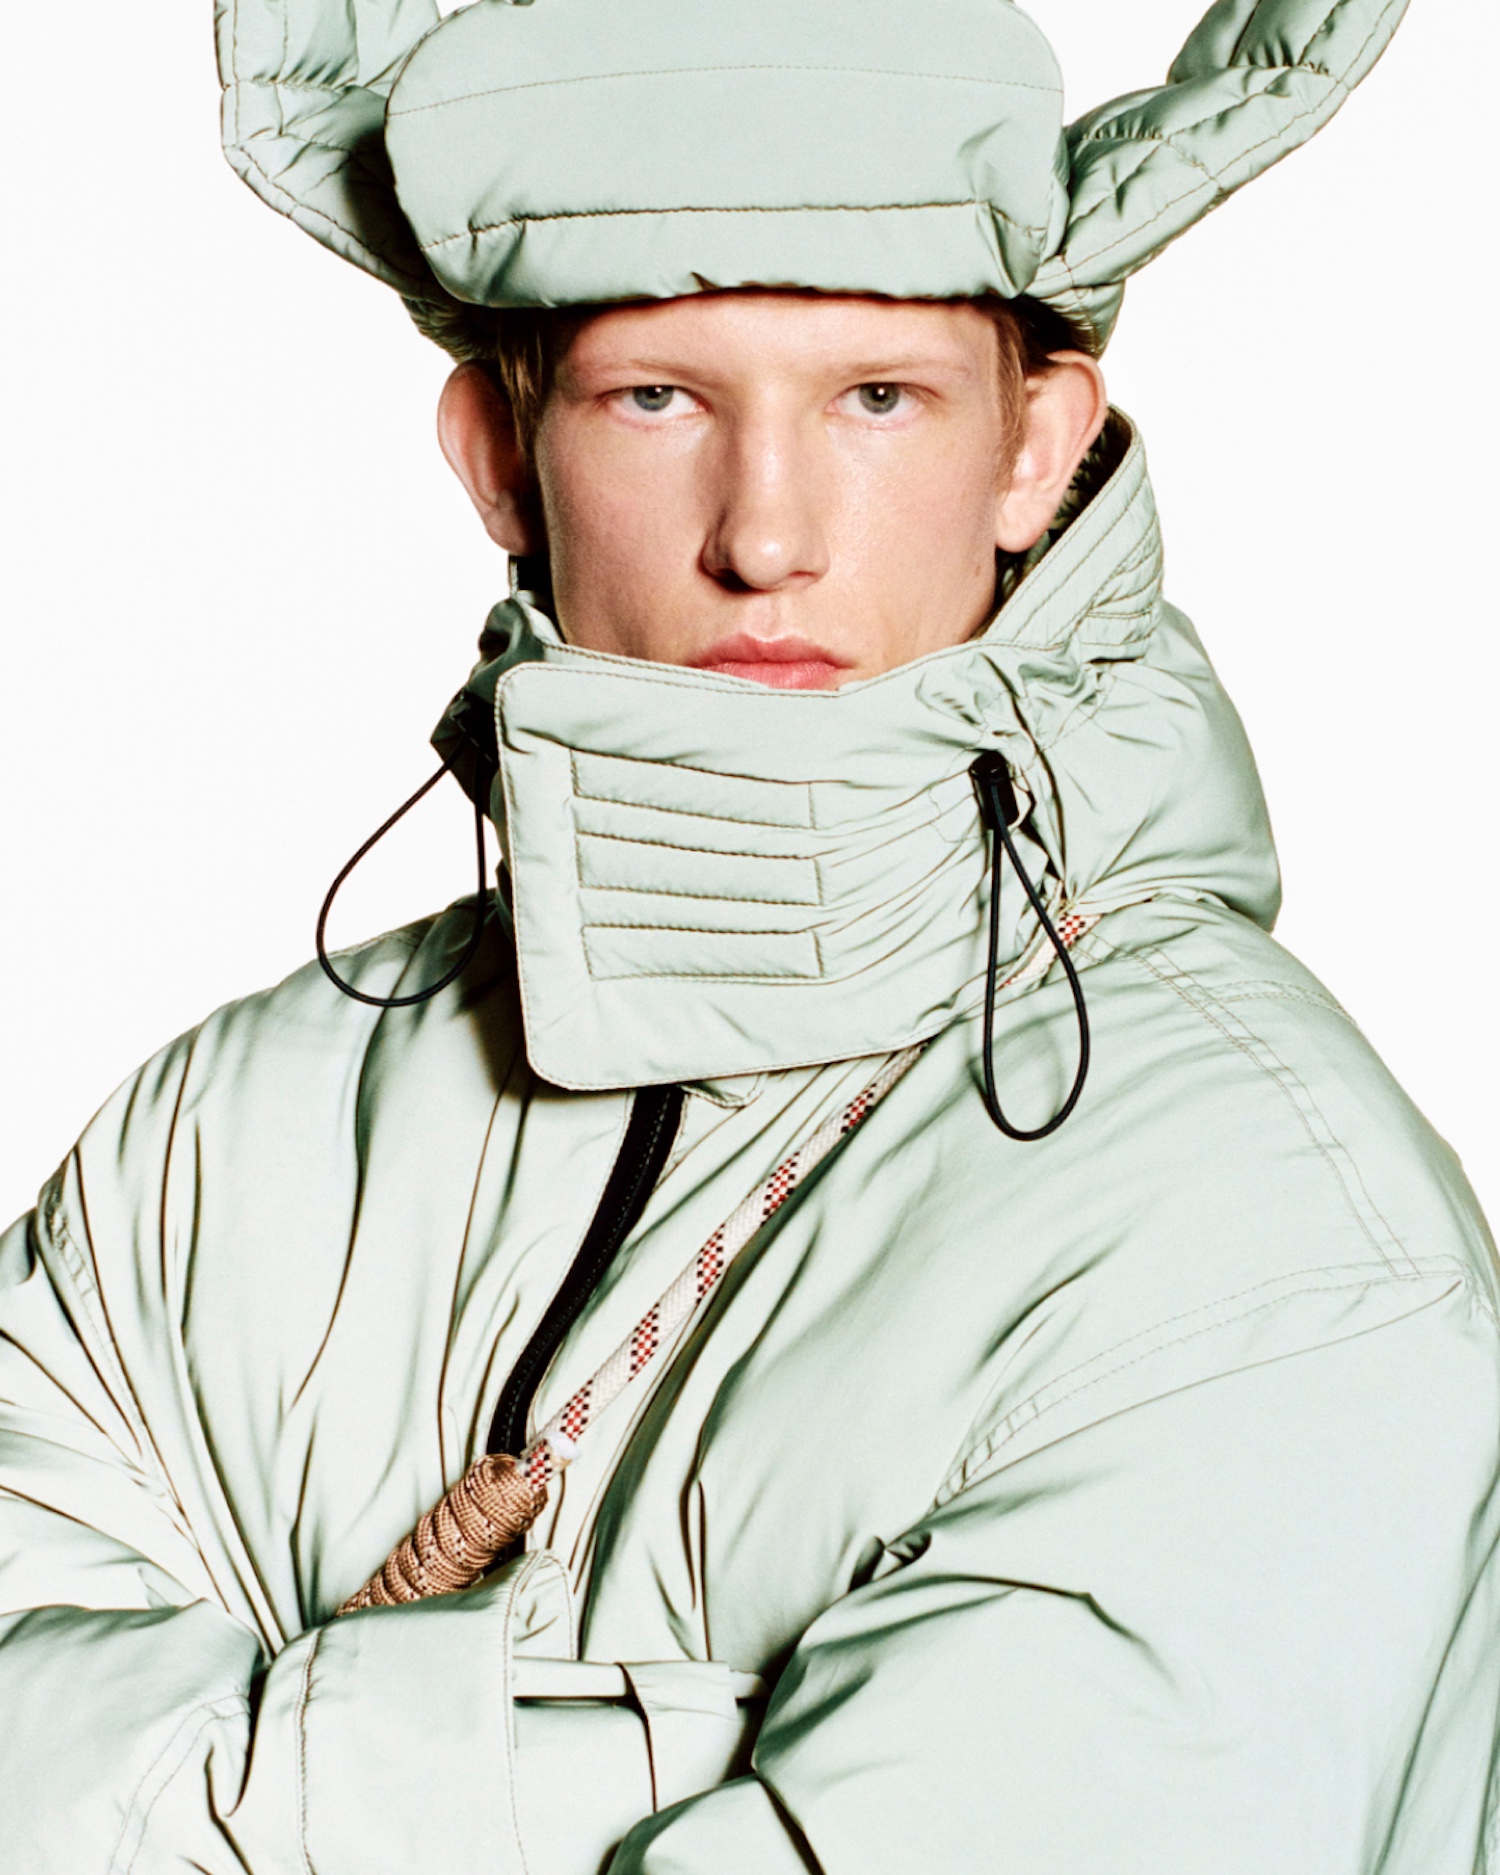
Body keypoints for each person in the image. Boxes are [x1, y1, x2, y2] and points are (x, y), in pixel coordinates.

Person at [2, 0, 1497, 1870]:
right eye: (658, 398)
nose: (765, 536)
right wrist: (678, 1756)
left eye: (878, 399)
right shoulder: (228, 1134)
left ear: (1037, 449)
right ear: (499, 454)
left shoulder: (1270, 1234)